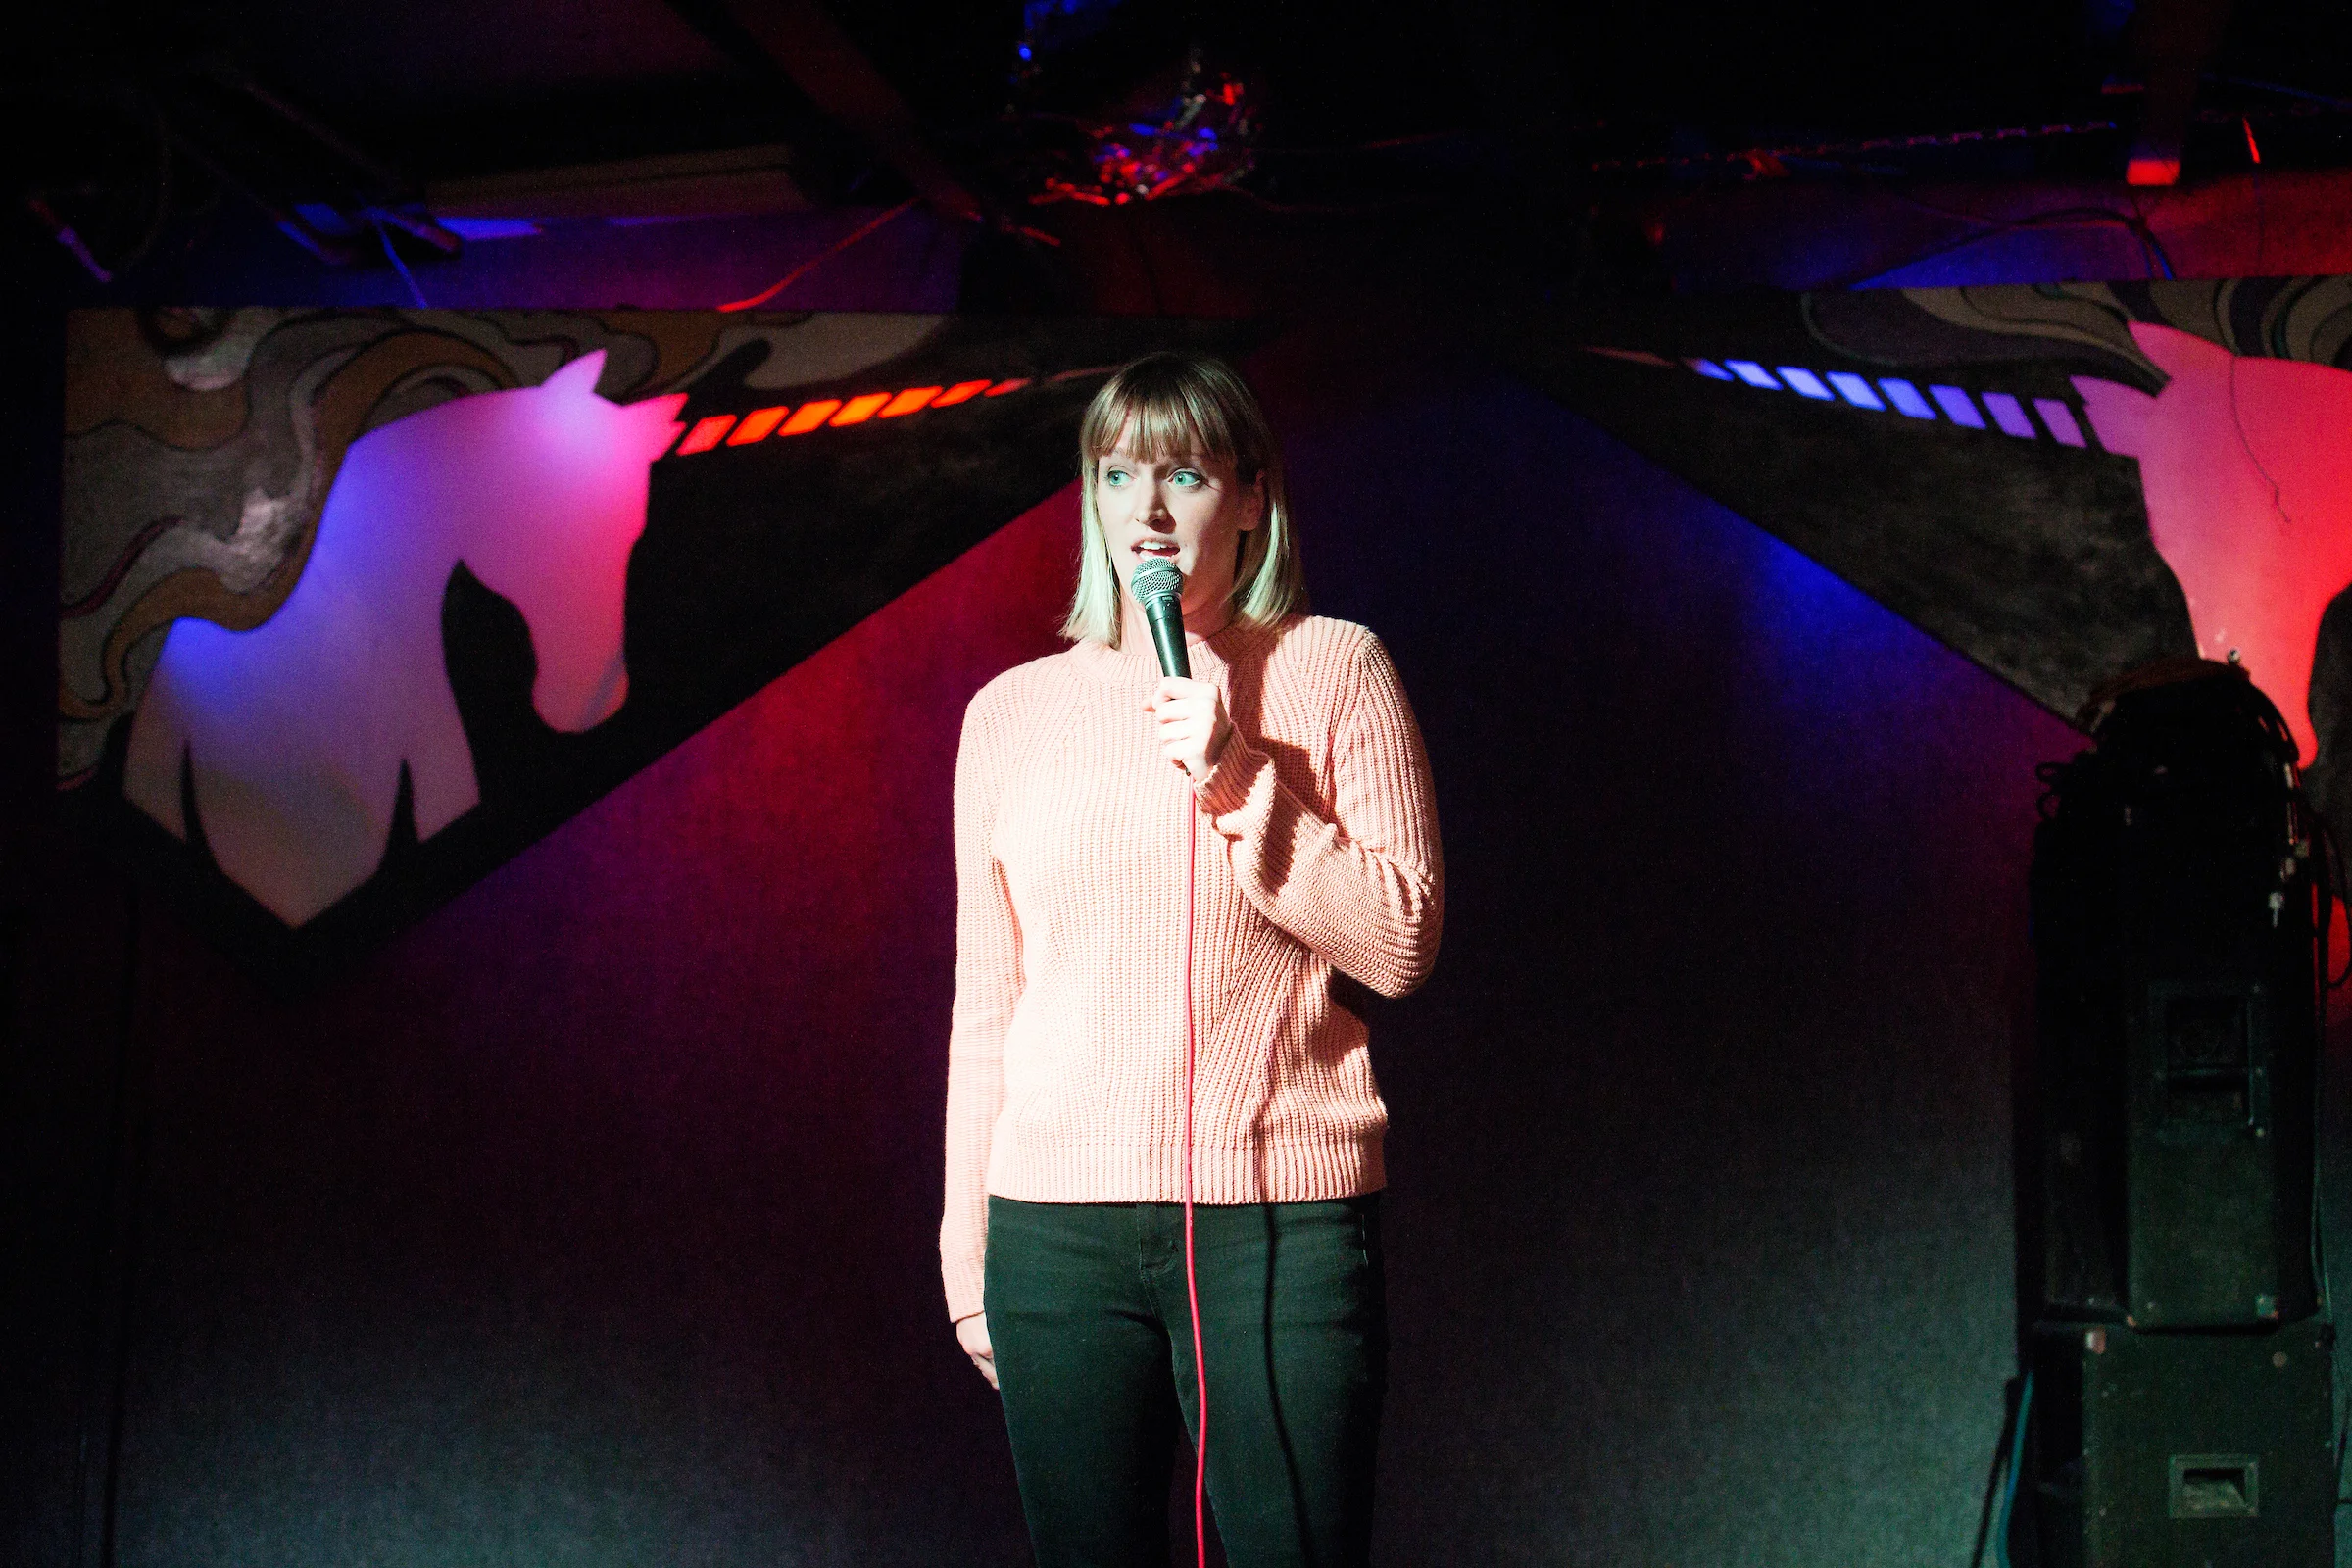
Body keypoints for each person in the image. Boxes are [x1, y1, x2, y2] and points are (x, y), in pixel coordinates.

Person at [941, 350, 1443, 1567]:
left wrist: (1233, 771)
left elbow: (1401, 938)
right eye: (1118, 476)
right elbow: (988, 1001)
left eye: (1185, 475)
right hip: (1054, 1229)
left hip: (1276, 1216)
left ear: (1253, 497)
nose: (1149, 512)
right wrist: (968, 1248)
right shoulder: (1009, 714)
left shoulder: (1337, 668)